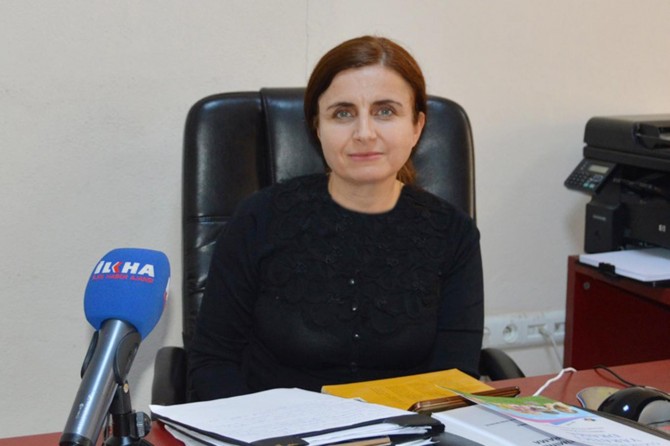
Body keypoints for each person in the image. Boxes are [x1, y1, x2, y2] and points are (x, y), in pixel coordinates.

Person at [187, 35, 484, 401]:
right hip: (273, 427)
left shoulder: (453, 233)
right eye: (343, 113)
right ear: (317, 126)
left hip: (406, 428)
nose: (364, 133)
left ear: (417, 126)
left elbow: (454, 378)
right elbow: (213, 362)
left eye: (385, 111)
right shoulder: (259, 218)